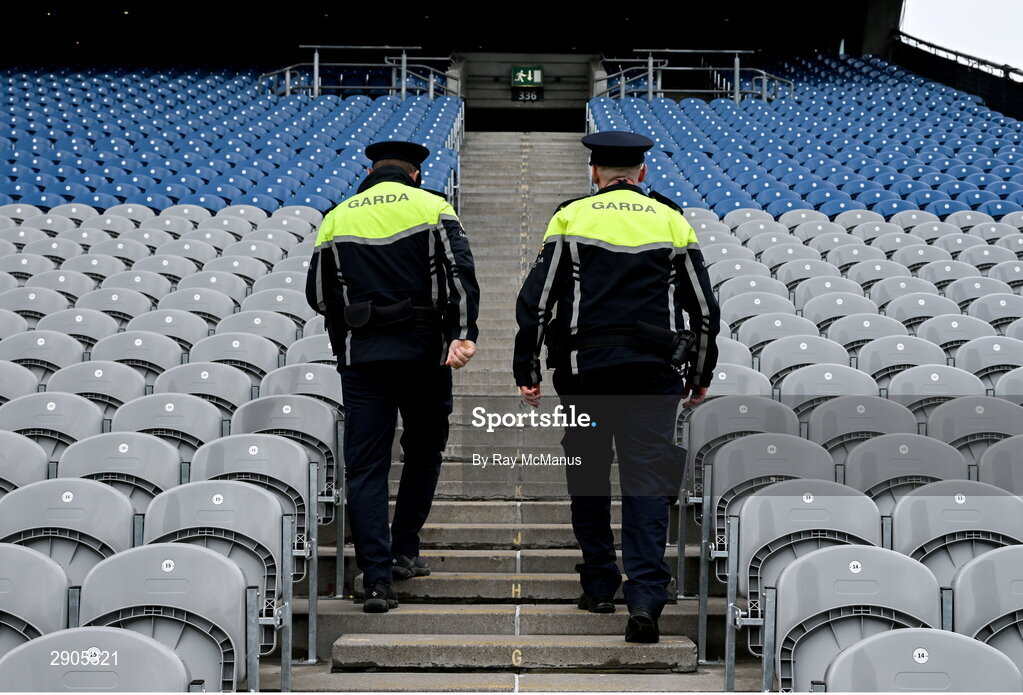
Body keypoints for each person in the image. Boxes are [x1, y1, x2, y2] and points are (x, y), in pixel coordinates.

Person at [512, 131, 720, 643]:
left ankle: (600, 584)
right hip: (653, 376)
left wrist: (527, 368)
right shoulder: (672, 219)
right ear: (642, 173)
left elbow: (536, 301)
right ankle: (646, 599)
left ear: (594, 173)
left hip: (586, 373)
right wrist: (700, 374)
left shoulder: (571, 217)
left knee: (587, 475)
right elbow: (706, 311)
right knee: (647, 483)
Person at [306, 140, 480, 613]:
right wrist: (463, 333)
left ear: (371, 171)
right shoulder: (433, 207)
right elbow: (461, 273)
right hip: (424, 355)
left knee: (366, 467)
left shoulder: (338, 216)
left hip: (362, 359)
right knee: (424, 451)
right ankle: (405, 548)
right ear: (415, 174)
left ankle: (377, 580)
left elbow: (319, 295)